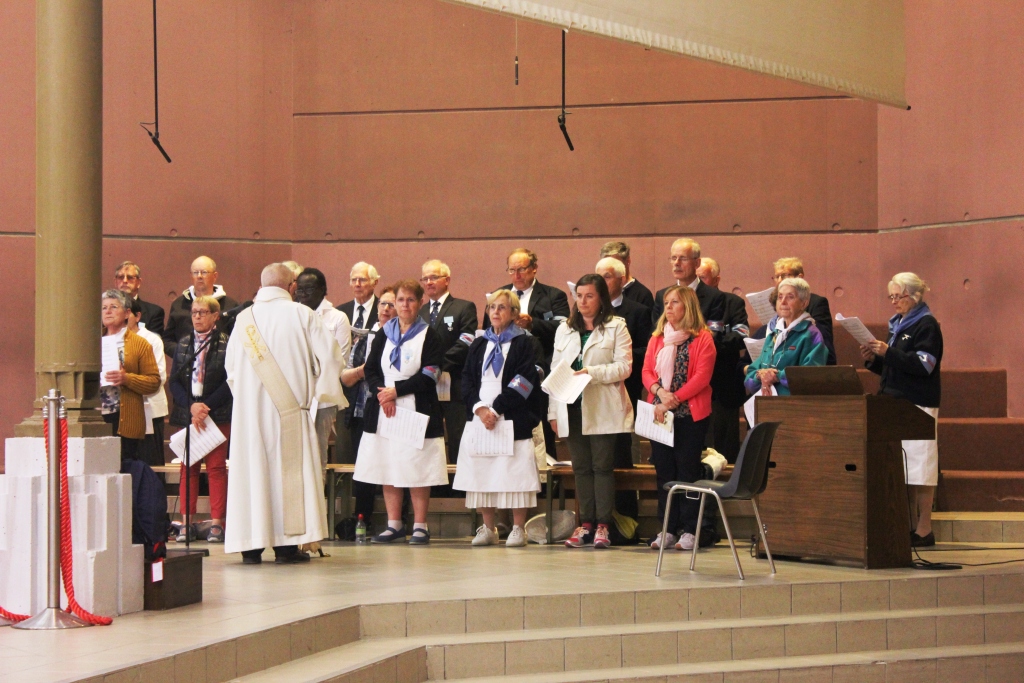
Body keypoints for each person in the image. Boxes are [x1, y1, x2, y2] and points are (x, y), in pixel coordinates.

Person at [224, 263, 345, 565]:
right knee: (288, 477)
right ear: (291, 286)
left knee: (253, 475)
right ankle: (286, 547)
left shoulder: (242, 319)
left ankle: (250, 547)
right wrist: (322, 393)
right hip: (291, 412)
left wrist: (249, 401)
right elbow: (331, 358)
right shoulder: (303, 315)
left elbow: (231, 372)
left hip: (249, 417)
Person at [354, 279, 448, 545]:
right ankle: (394, 524)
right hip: (385, 408)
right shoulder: (384, 334)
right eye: (400, 300)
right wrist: (383, 394)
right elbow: (371, 369)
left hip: (416, 408)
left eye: (410, 300)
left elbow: (430, 374)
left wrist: (397, 391)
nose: (405, 305)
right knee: (388, 464)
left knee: (416, 467)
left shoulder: (430, 335)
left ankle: (420, 525)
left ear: (420, 303)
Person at [549, 274, 634, 549]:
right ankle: (585, 524)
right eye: (579, 296)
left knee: (602, 467)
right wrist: (552, 412)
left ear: (601, 299)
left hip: (602, 407)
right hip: (571, 406)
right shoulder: (564, 329)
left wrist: (591, 373)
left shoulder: (616, 327)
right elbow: (555, 372)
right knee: (581, 468)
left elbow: (624, 367)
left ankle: (603, 526)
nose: (583, 302)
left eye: (589, 296)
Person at [453, 290, 543, 547]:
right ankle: (488, 527)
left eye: (501, 307)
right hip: (480, 418)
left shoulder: (525, 343)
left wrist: (496, 410)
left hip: (512, 416)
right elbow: (467, 379)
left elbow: (524, 381)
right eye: (492, 307)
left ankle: (518, 528)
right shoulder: (479, 344)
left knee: (514, 473)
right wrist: (480, 408)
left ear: (514, 313)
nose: (495, 312)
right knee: (482, 471)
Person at [861, 273, 942, 547]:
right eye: (891, 296)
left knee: (921, 468)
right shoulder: (898, 324)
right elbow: (896, 366)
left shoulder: (926, 324)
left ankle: (924, 529)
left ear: (915, 296)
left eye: (899, 296)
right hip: (894, 402)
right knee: (902, 468)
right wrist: (874, 360)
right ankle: (906, 525)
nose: (894, 301)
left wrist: (888, 352)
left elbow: (924, 365)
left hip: (917, 403)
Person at [643, 286, 716, 551]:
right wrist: (659, 393)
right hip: (660, 414)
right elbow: (647, 371)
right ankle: (667, 528)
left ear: (688, 306)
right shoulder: (658, 338)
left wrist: (674, 398)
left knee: (687, 472)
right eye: (666, 302)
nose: (669, 307)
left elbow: (701, 377)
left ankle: (690, 529)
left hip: (689, 415)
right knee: (664, 472)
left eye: (675, 302)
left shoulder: (703, 338)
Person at [490, 247, 570, 456]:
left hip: (541, 371)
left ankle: (546, 473)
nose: (516, 275)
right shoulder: (498, 296)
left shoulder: (553, 295)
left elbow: (564, 329)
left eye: (522, 269)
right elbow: (489, 331)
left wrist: (533, 324)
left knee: (541, 429)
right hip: (505, 372)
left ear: (534, 268)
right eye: (512, 270)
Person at [168, 295, 233, 543]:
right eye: (194, 312)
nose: (197, 317)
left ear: (215, 316)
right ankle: (186, 522)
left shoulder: (227, 343)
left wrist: (206, 407)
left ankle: (217, 523)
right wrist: (192, 407)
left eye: (202, 312)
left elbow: (230, 381)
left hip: (217, 412)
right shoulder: (184, 343)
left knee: (216, 468)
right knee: (188, 468)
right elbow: (174, 381)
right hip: (190, 411)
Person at [596, 256, 651, 519]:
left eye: (607, 277)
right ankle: (598, 518)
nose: (601, 282)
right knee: (598, 459)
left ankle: (627, 520)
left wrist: (618, 358)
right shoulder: (588, 312)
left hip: (624, 389)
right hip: (594, 393)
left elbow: (646, 350)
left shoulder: (637, 311)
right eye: (598, 277)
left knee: (622, 454)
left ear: (621, 279)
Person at [341, 287, 396, 533]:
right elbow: (346, 377)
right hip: (361, 411)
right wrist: (365, 370)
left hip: (391, 410)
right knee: (364, 468)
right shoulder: (364, 338)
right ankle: (362, 519)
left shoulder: (402, 339)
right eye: (383, 304)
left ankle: (398, 521)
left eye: (392, 305)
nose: (386, 309)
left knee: (393, 466)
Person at [419, 259, 478, 464]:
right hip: (427, 385)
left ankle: (458, 481)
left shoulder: (463, 307)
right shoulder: (420, 312)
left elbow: (466, 341)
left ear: (447, 280)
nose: (429, 282)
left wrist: (438, 365)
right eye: (425, 278)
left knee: (457, 437)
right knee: (429, 439)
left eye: (434, 277)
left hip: (455, 383)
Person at [337, 262, 382, 527]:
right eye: (353, 279)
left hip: (376, 394)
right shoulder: (341, 312)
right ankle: (356, 515)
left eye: (363, 280)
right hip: (350, 394)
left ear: (375, 282)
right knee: (353, 456)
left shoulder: (383, 309)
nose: (357, 284)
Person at [295, 267, 351, 473]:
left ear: (322, 289)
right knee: (296, 454)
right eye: (299, 290)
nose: (303, 295)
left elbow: (339, 360)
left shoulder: (337, 318)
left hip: (323, 396)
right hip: (296, 394)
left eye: (308, 289)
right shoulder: (293, 315)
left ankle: (319, 493)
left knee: (317, 453)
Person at [696, 257, 750, 462]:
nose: (699, 283)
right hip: (693, 388)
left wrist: (710, 344)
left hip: (724, 385)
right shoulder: (685, 302)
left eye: (703, 278)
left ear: (716, 280)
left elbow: (742, 335)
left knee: (725, 448)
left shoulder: (732, 302)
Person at [100, 290, 161, 460]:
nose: (108, 311)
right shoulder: (91, 341)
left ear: (127, 313)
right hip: (94, 416)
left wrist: (127, 379)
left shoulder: (140, 343)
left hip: (124, 418)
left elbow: (154, 382)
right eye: (104, 308)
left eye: (113, 307)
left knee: (124, 465)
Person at [744, 277, 828, 396]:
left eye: (790, 297)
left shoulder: (811, 334)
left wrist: (777, 376)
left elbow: (811, 376)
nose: (783, 302)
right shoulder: (774, 334)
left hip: (794, 404)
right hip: (766, 404)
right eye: (780, 297)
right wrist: (760, 376)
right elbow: (750, 377)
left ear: (804, 303)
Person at [164, 256, 239, 357]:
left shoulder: (230, 305)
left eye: (204, 272)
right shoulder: (179, 304)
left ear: (215, 276)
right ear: (191, 275)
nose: (199, 276)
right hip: (185, 363)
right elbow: (167, 340)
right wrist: (183, 353)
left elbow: (237, 341)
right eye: (195, 272)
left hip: (219, 364)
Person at [126, 298, 169, 468]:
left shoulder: (152, 340)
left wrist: (128, 380)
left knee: (150, 463)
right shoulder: (108, 339)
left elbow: (159, 377)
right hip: (123, 411)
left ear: (137, 316)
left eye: (127, 312)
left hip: (149, 408)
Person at [772, 257, 836, 365]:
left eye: (784, 275)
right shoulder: (777, 306)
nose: (779, 280)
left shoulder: (817, 303)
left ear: (800, 277)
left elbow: (822, 337)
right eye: (776, 276)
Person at [114, 260, 165, 337]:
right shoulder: (103, 311)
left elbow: (154, 342)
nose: (125, 281)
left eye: (130, 277)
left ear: (139, 282)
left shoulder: (154, 312)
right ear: (115, 282)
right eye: (121, 277)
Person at [600, 241, 655, 309]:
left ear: (628, 261)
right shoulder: (599, 292)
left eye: (615, 263)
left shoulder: (643, 294)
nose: (610, 268)